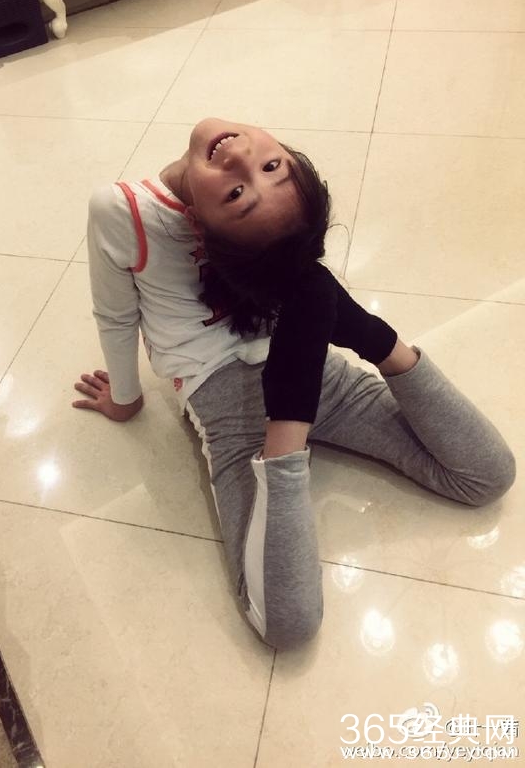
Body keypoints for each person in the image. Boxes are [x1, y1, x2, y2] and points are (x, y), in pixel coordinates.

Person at [73, 118, 516, 650]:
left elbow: (484, 475)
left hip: (313, 366)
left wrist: (376, 340)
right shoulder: (121, 210)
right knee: (291, 627)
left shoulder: (277, 228)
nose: (241, 159)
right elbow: (284, 623)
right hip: (228, 408)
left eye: (269, 167)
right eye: (238, 193)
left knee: (491, 476)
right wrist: (127, 399)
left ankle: (315, 385)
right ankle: (290, 422)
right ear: (197, 229)